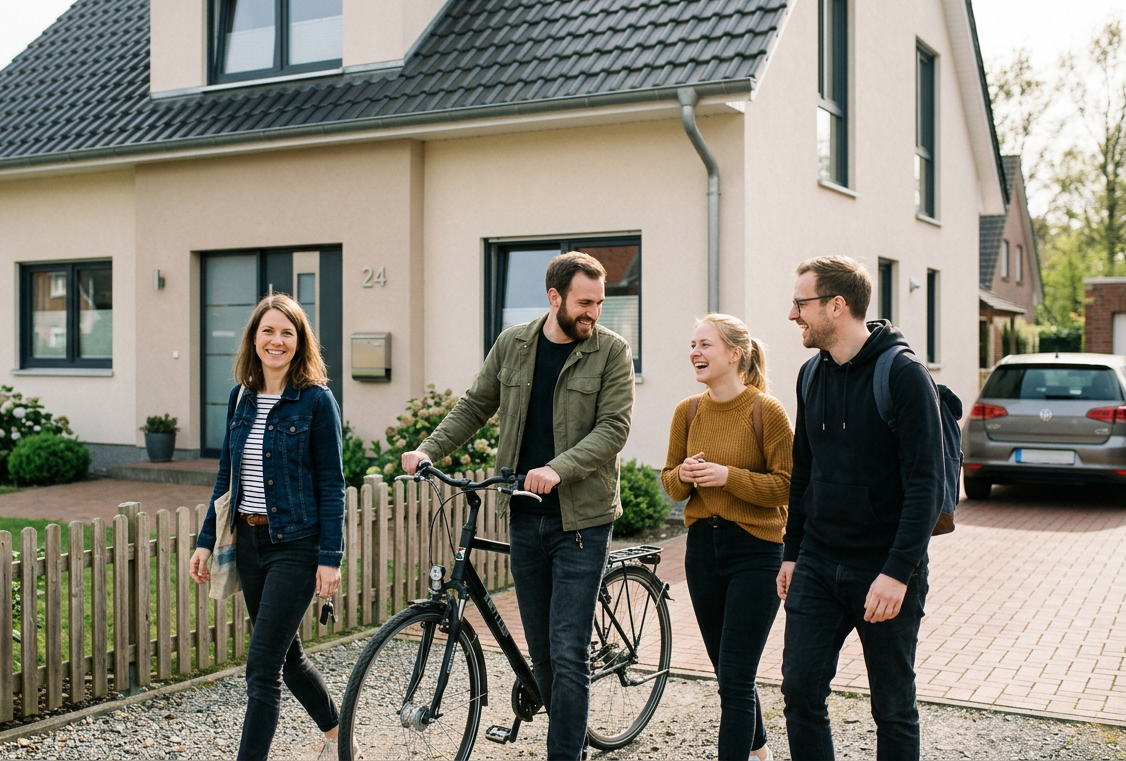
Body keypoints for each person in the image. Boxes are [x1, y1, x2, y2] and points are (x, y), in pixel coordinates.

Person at [401, 251, 634, 761]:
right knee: (543, 653)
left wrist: (559, 467)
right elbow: (475, 404)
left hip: (581, 521)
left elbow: (614, 428)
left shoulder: (611, 351)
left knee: (569, 651)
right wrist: (428, 450)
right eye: (585, 302)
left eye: (600, 301)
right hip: (524, 516)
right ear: (555, 298)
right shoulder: (514, 344)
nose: (594, 312)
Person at [777, 256, 942, 760]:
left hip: (884, 570)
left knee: (892, 708)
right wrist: (791, 552)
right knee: (800, 693)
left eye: (801, 303)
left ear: (837, 305)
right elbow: (802, 471)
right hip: (819, 565)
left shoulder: (905, 375)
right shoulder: (810, 375)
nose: (792, 315)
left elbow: (926, 485)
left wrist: (897, 573)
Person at [189, 294, 346, 761]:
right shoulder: (240, 396)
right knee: (288, 655)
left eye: (287, 333)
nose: (276, 341)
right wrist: (204, 542)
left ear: (300, 343)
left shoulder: (316, 401)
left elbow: (332, 483)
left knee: (261, 668)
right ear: (254, 339)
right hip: (250, 542)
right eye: (268, 331)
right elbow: (226, 475)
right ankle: (341, 736)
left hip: (296, 546)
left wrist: (329, 557)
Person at [661, 313, 792, 761]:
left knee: (735, 677)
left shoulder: (766, 410)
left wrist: (727, 476)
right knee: (728, 672)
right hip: (702, 552)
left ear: (735, 353)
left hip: (756, 552)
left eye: (705, 345)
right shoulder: (688, 410)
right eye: (693, 344)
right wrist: (685, 473)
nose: (695, 352)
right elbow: (672, 485)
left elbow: (789, 486)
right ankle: (759, 749)